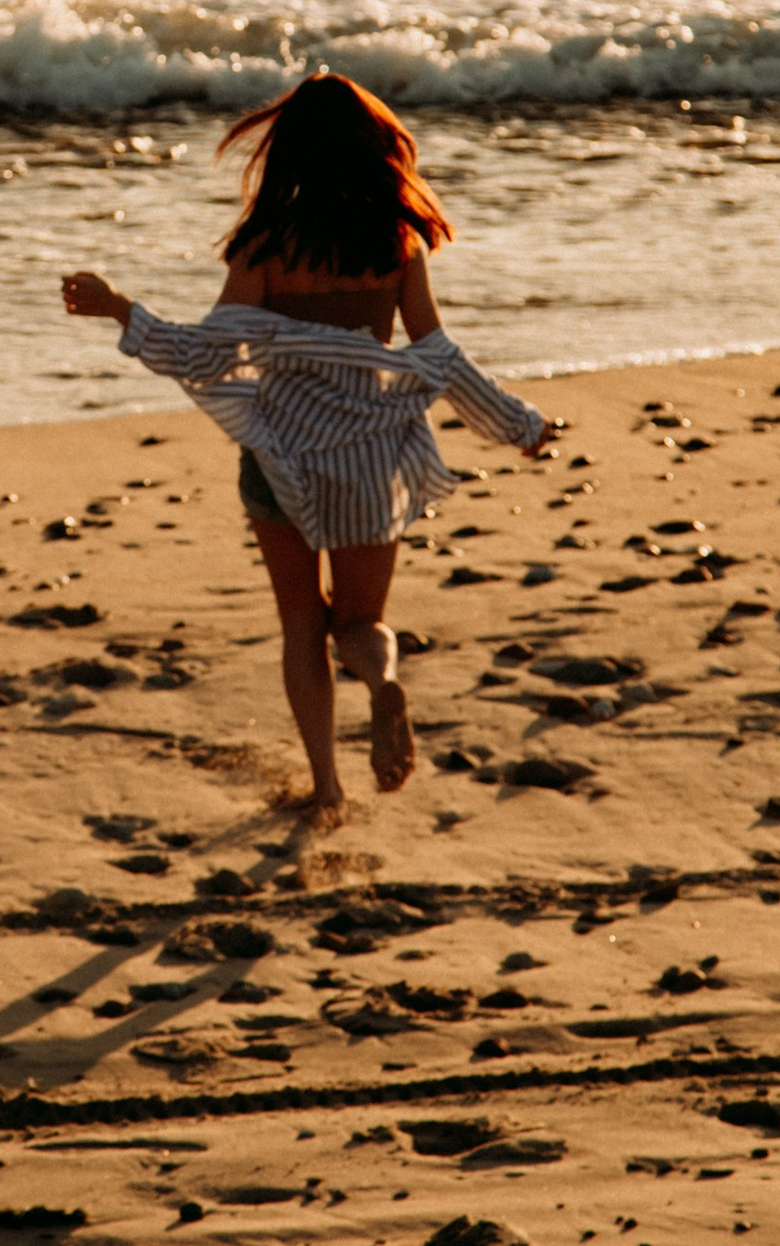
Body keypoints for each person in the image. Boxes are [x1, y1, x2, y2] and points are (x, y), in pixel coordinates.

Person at [60, 71, 557, 822]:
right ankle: (382, 680)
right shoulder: (397, 240)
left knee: (301, 624)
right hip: (371, 461)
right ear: (372, 146)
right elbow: (437, 355)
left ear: (288, 151)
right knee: (358, 623)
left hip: (281, 460)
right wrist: (519, 425)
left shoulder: (265, 246)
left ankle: (326, 786)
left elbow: (207, 354)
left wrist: (120, 310)